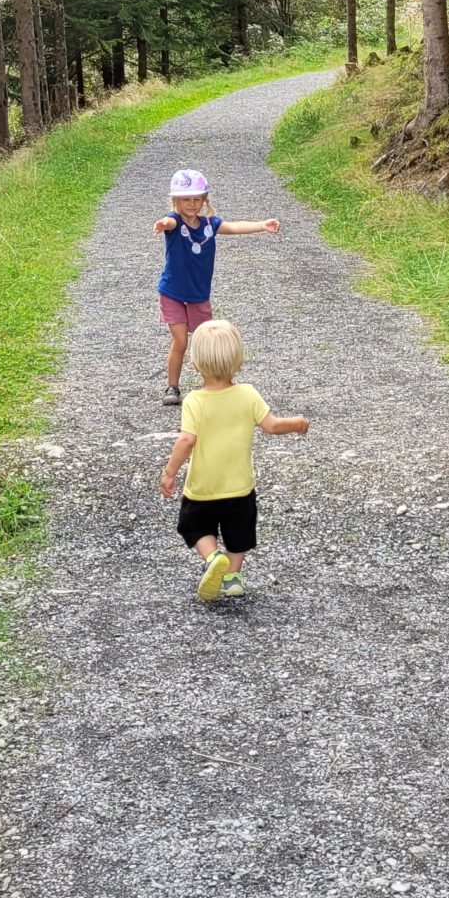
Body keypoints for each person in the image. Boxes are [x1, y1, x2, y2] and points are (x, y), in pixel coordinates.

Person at [159, 319, 308, 603]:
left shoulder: (194, 401)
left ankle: (213, 556)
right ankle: (233, 578)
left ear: (195, 364)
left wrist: (169, 472)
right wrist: (298, 423)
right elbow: (272, 426)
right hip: (239, 486)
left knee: (194, 527)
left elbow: (187, 440)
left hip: (203, 487)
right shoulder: (248, 394)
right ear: (239, 362)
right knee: (238, 534)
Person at [154, 168, 281, 403]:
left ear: (204, 200)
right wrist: (163, 223)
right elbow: (169, 222)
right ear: (176, 201)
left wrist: (262, 225)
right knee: (180, 341)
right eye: (185, 200)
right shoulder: (175, 221)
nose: (191, 204)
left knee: (207, 341)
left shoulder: (210, 224)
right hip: (172, 291)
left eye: (196, 199)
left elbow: (234, 227)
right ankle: (172, 388)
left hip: (199, 294)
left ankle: (211, 385)